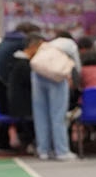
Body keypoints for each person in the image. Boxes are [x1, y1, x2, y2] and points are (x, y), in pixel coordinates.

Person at [0, 23, 39, 153]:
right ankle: (2, 144)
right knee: (7, 108)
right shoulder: (22, 41)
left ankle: (3, 141)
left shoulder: (9, 38)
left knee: (3, 107)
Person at [28, 30, 81, 161]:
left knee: (40, 115)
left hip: (38, 74)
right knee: (58, 115)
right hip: (56, 78)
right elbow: (77, 65)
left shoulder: (48, 45)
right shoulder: (70, 44)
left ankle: (43, 150)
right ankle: (62, 151)